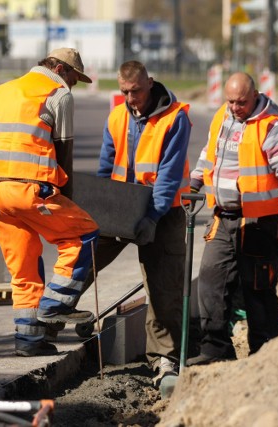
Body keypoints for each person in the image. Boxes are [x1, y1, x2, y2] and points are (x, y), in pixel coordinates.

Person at [0, 47, 100, 357]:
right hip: (30, 188)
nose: (73, 85)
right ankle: (55, 305)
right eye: (73, 77)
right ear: (60, 69)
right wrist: (67, 198)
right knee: (84, 235)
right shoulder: (58, 95)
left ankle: (29, 340)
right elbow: (64, 153)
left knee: (24, 266)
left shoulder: (2, 91)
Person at [85, 60, 193, 390]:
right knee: (80, 256)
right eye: (124, 92)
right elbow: (106, 167)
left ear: (150, 84)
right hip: (120, 207)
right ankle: (50, 315)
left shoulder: (175, 118)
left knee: (164, 288)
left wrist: (152, 218)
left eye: (135, 91)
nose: (131, 98)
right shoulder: (117, 116)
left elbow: (169, 177)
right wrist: (99, 211)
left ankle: (165, 359)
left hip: (163, 212)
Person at [187, 72, 278, 366]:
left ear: (255, 95)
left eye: (241, 102)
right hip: (223, 218)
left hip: (258, 222)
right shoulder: (221, 118)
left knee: (258, 287)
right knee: (211, 281)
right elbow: (208, 152)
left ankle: (264, 352)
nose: (235, 107)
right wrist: (194, 184)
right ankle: (215, 350)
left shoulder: (272, 128)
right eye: (231, 101)